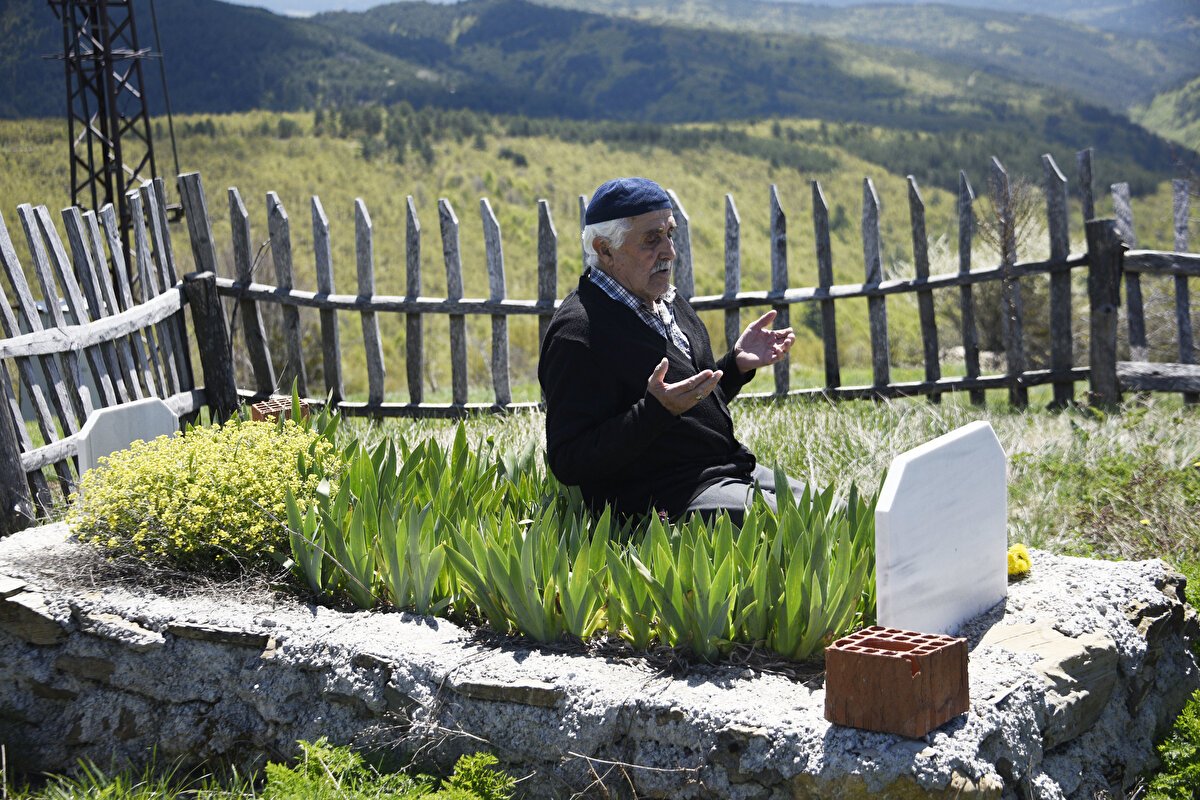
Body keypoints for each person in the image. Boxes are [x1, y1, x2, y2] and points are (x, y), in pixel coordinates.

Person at [538, 176, 801, 524]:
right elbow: (569, 459)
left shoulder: (667, 302)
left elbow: (687, 407)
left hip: (726, 470)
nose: (670, 252)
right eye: (652, 240)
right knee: (801, 527)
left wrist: (736, 366)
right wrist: (653, 412)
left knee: (839, 512)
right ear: (605, 249)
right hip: (665, 498)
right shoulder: (579, 331)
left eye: (670, 234)